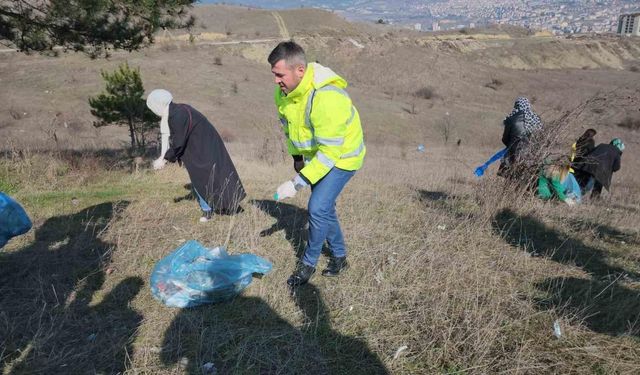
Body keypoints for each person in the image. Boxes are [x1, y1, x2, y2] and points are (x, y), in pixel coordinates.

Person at [267, 41, 366, 286]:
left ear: (299, 70)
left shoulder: (326, 97)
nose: (276, 81)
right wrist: (298, 160)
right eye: (274, 75)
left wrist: (297, 182)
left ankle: (308, 264)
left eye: (280, 74)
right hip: (316, 158)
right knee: (325, 208)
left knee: (318, 207)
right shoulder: (283, 94)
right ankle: (340, 258)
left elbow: (331, 152)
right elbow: (289, 129)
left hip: (343, 157)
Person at [146, 89, 246, 221]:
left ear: (158, 105)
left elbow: (178, 143)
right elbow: (169, 136)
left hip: (203, 148)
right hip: (203, 146)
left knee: (203, 178)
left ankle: (213, 210)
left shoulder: (177, 115)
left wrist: (164, 160)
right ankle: (222, 206)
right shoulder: (176, 110)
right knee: (211, 177)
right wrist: (162, 156)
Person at [498, 97, 543, 179]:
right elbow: (540, 139)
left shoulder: (511, 119)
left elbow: (504, 139)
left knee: (510, 179)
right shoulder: (536, 119)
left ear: (516, 106)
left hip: (512, 155)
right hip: (531, 156)